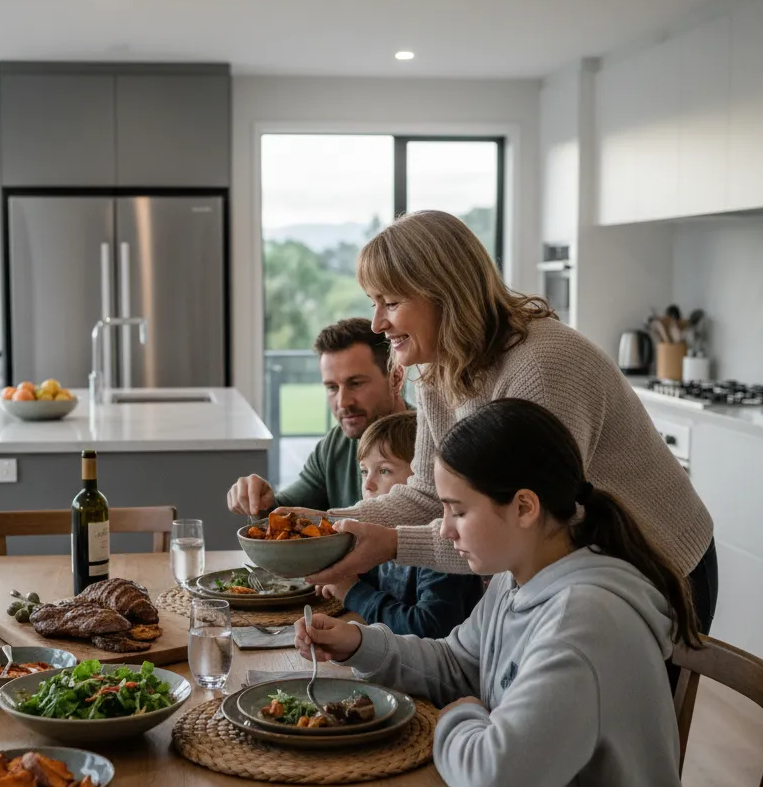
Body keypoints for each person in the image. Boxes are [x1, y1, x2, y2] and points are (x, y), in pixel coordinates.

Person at [296, 400, 698, 787]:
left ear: (525, 507)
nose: (444, 530)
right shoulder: (518, 579)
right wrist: (359, 644)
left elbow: (495, 780)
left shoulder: (583, 622)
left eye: (458, 511)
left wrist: (462, 713)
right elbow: (458, 663)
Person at [308, 210, 718, 634]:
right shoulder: (439, 366)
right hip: (580, 575)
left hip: (658, 568)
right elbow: (428, 495)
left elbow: (522, 528)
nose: (378, 323)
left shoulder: (541, 367)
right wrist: (320, 527)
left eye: (391, 303)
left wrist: (391, 544)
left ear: (445, 293)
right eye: (374, 303)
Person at [319, 409, 481, 637]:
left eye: (384, 470)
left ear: (424, 477)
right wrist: (336, 572)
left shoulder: (444, 545)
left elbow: (428, 629)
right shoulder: (379, 533)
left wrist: (353, 592)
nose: (368, 484)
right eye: (364, 471)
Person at [226, 317, 407, 515]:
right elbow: (282, 510)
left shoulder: (425, 442)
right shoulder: (334, 445)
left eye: (356, 384)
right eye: (332, 387)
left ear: (396, 378)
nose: (342, 402)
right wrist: (261, 501)